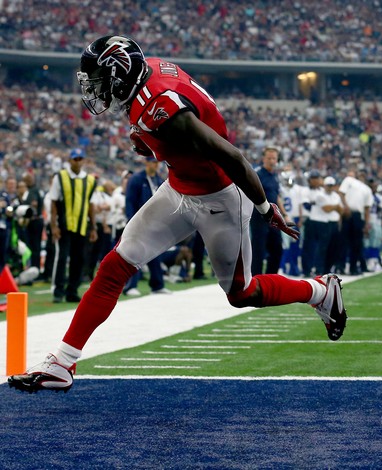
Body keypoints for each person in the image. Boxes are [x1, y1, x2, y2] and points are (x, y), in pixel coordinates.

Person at [8, 35, 347, 394]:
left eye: (99, 81)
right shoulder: (146, 74)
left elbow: (230, 155)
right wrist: (152, 143)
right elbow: (173, 125)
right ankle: (62, 363)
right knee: (115, 265)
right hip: (179, 188)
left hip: (221, 199)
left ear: (119, 74)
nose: (93, 90)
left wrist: (264, 208)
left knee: (241, 293)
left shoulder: (159, 106)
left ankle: (319, 291)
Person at [48, 148, 99, 303]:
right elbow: (54, 202)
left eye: (80, 159)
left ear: (84, 161)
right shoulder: (60, 177)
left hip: (82, 225)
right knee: (62, 258)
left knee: (79, 259)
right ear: (69, 160)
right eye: (75, 159)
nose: (77, 162)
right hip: (64, 225)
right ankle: (58, 291)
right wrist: (53, 225)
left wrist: (93, 227)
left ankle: (72, 291)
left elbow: (91, 205)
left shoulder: (90, 180)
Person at [122, 156, 171, 296]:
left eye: (156, 162)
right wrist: (131, 221)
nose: (155, 165)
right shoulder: (137, 179)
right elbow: (130, 201)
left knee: (155, 254)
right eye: (152, 162)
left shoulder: (159, 180)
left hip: (155, 223)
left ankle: (157, 285)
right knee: (135, 253)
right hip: (139, 222)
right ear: (146, 162)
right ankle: (131, 285)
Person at [250, 147, 287, 276]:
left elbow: (277, 196)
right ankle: (256, 279)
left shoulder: (275, 176)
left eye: (274, 158)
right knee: (258, 250)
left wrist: (285, 215)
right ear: (263, 159)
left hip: (273, 217)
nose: (272, 161)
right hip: (259, 217)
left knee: (277, 248)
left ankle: (271, 277)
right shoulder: (257, 175)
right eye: (269, 158)